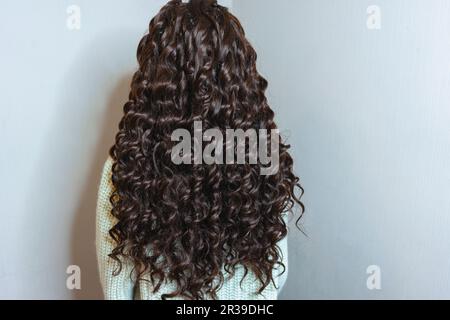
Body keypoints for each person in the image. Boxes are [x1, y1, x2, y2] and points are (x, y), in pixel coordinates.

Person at [96, 0, 303, 300]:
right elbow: (274, 275)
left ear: (156, 81)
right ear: (239, 77)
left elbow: (117, 289)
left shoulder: (129, 165)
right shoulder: (261, 154)